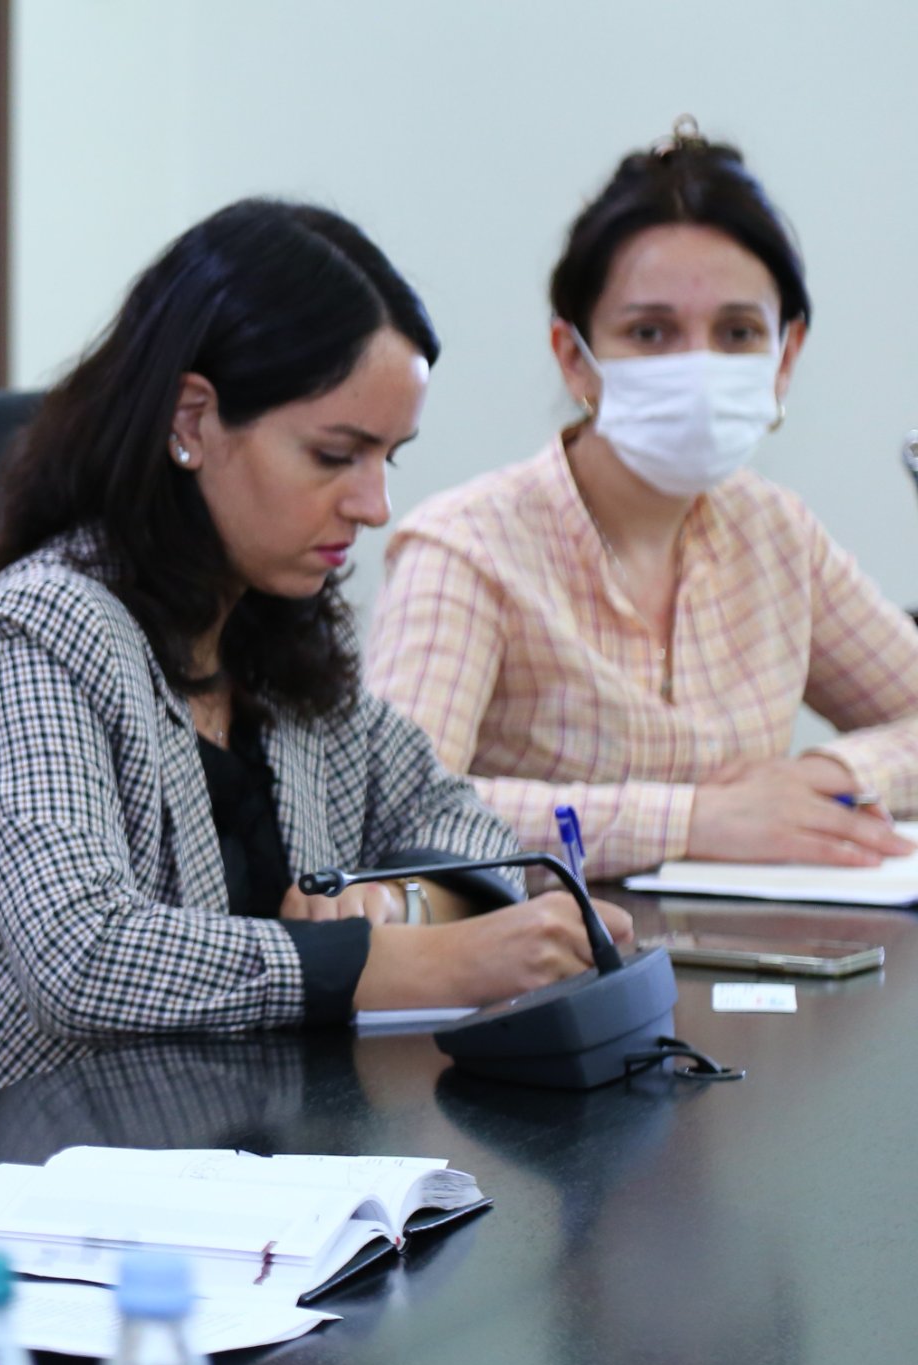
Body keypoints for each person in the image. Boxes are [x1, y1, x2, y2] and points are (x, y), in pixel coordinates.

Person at [0, 199, 631, 1105]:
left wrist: (401, 904)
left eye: (388, 458)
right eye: (336, 455)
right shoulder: (35, 633)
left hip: (233, 1149)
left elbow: (463, 826)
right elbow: (83, 955)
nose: (374, 505)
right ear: (193, 420)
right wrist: (403, 963)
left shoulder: (273, 626)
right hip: (11, 1156)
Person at [367, 119, 918, 879]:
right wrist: (693, 820)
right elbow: (397, 813)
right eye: (651, 333)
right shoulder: (467, 547)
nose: (698, 367)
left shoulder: (776, 532)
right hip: (554, 951)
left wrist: (835, 774)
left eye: (737, 333)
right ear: (574, 357)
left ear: (785, 356)